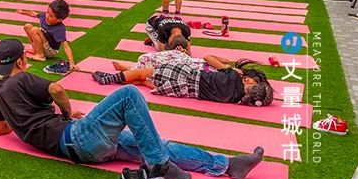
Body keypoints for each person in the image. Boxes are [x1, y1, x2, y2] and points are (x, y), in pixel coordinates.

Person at [0, 38, 265, 179]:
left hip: (79, 148)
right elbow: (56, 88)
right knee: (129, 94)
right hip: (77, 136)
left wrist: (25, 121)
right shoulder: (21, 78)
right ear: (21, 62)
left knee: (153, 143)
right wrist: (66, 112)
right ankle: (160, 165)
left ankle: (228, 165)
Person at [91, 55, 275, 109]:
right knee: (143, 80)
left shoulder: (233, 76)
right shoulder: (235, 99)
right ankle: (118, 77)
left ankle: (109, 78)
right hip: (183, 91)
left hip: (185, 75)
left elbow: (207, 57)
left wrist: (227, 66)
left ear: (249, 82)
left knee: (143, 72)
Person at [16, 0, 76, 74]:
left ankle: (40, 56)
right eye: (47, 12)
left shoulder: (59, 29)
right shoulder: (44, 16)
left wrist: (72, 63)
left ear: (59, 20)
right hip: (44, 44)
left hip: (51, 51)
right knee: (27, 26)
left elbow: (66, 46)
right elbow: (34, 14)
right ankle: (35, 49)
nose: (47, 16)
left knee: (35, 30)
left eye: (51, 16)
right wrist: (23, 12)